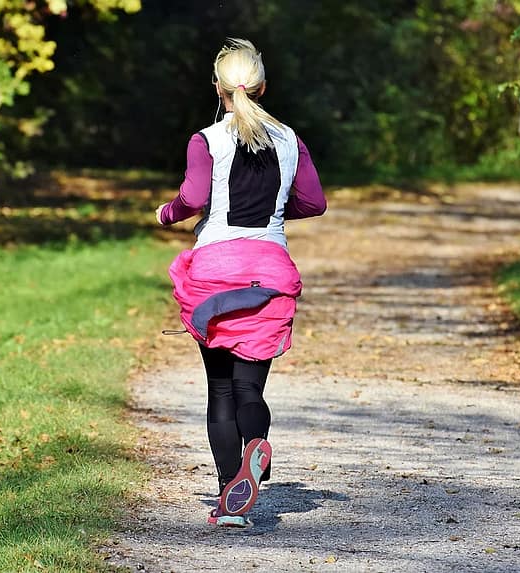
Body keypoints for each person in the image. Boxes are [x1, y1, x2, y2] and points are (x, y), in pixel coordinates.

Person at [154, 38, 326, 528]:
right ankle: (257, 445)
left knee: (220, 391)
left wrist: (169, 214)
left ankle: (230, 494)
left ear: (218, 88)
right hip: (268, 270)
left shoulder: (207, 140)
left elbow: (192, 196)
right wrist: (275, 210)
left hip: (214, 273)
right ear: (263, 86)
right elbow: (313, 203)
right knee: (250, 388)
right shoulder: (292, 140)